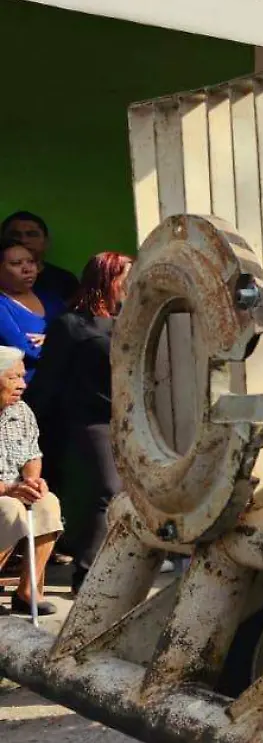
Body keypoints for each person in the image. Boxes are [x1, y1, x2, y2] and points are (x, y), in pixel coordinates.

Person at [26, 252, 131, 589]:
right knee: (109, 490)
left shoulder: (132, 320)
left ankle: (118, 565)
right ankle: (87, 573)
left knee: (130, 492)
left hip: (129, 418)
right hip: (90, 419)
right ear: (108, 279)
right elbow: (49, 378)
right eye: (126, 275)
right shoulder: (72, 323)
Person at [0, 346, 62, 616]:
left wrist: (32, 481)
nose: (22, 385)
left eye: (22, 377)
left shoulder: (22, 412)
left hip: (12, 490)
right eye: (13, 378)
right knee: (10, 509)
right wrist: (10, 490)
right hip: (5, 496)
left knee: (47, 502)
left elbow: (32, 454)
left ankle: (28, 591)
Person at [0, 238, 63, 381]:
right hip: (25, 390)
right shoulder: (2, 305)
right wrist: (59, 339)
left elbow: (78, 333)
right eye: (16, 264)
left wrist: (51, 339)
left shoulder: (51, 299)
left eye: (31, 262)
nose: (27, 268)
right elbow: (28, 351)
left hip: (63, 387)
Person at [1, 211, 78, 304]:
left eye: (32, 234)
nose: (23, 240)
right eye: (14, 234)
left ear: (46, 242)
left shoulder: (65, 280)